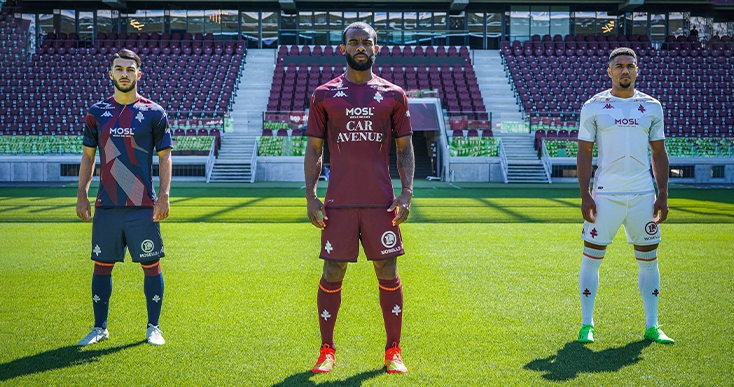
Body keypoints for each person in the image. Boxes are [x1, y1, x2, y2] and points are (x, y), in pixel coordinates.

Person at [304, 22, 415, 374]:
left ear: (377, 48)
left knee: (388, 268)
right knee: (333, 270)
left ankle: (393, 351)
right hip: (339, 202)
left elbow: (405, 149)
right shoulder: (324, 95)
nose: (361, 47)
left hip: (381, 202)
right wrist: (311, 195)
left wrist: (407, 192)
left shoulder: (394, 95)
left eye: (367, 42)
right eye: (354, 42)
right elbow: (315, 149)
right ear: (343, 49)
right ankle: (326, 350)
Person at [576, 47, 673, 345]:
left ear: (637, 70)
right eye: (619, 66)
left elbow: (659, 153)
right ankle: (586, 324)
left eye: (630, 65)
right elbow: (584, 151)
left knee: (649, 261)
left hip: (643, 195)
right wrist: (585, 195)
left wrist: (663, 194)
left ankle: (652, 326)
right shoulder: (594, 107)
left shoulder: (652, 106)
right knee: (592, 259)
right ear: (609, 71)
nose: (625, 71)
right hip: (605, 195)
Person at [76, 48, 172, 346]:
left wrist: (165, 196)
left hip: (142, 205)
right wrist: (82, 194)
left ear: (138, 74)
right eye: (119, 69)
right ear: (111, 74)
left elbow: (166, 158)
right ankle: (100, 327)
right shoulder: (96, 112)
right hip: (107, 205)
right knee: (101, 265)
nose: (125, 74)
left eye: (130, 69)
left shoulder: (154, 112)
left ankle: (153, 327)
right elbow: (88, 158)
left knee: (151, 265)